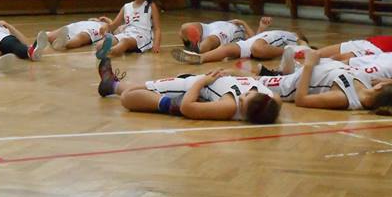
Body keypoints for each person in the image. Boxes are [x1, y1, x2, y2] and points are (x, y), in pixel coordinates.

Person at [100, 63, 281, 124]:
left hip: (195, 86)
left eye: (242, 104)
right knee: (136, 89)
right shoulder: (273, 99)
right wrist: (233, 72)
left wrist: (202, 82)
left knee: (127, 98)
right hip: (202, 82)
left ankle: (168, 104)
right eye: (246, 96)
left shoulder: (229, 107)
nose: (241, 97)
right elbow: (252, 80)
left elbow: (187, 108)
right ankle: (110, 85)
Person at [260, 52, 392, 114]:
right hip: (314, 68)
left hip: (293, 83)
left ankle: (280, 74)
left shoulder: (344, 98)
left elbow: (301, 100)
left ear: (381, 87)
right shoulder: (366, 81)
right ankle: (286, 69)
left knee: (250, 83)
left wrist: (309, 65)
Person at [170, 17, 303, 65]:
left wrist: (243, 23)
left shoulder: (292, 37)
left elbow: (254, 40)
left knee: (217, 43)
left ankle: (198, 52)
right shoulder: (272, 36)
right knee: (185, 28)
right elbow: (256, 38)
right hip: (215, 26)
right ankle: (198, 54)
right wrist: (262, 27)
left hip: (230, 30)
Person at [94, 0, 162, 60]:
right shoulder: (126, 7)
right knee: (99, 45)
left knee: (124, 42)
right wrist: (106, 27)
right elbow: (114, 25)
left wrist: (156, 44)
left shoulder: (150, 5)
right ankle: (107, 50)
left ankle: (109, 52)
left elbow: (157, 28)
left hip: (142, 36)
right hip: (127, 33)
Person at [178, 17, 251, 53]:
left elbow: (253, 38)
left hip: (226, 32)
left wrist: (243, 23)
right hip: (210, 27)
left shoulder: (241, 35)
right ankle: (193, 44)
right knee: (184, 27)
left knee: (211, 40)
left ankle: (198, 49)